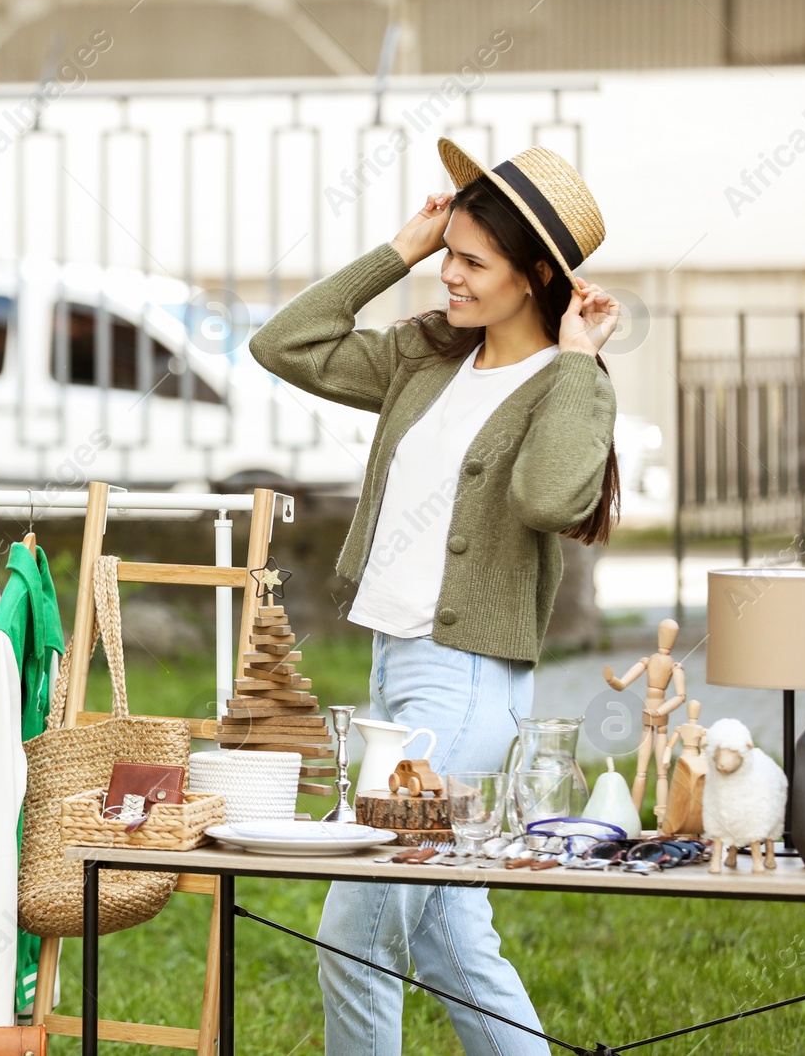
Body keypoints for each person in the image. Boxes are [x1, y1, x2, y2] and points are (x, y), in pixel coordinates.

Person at [248, 138, 621, 1055]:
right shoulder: (428, 359)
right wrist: (399, 251)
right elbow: (282, 343)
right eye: (447, 252)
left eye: (470, 261)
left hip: (462, 691)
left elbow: (545, 498)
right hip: (402, 673)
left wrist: (577, 361)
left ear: (535, 275)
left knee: (356, 936)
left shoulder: (567, 389)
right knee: (452, 939)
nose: (448, 275)